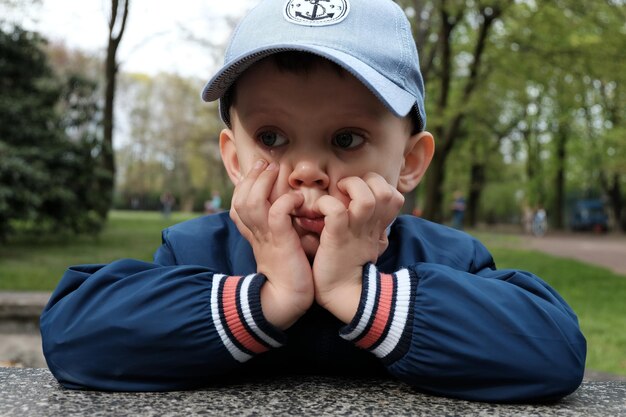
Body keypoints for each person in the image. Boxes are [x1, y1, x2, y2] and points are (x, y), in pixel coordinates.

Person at [40, 0, 585, 402]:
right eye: (272, 139)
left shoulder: (443, 259)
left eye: (346, 139)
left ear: (411, 162)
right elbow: (75, 337)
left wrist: (356, 291)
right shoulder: (196, 252)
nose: (305, 172)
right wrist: (268, 300)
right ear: (233, 159)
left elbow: (553, 350)